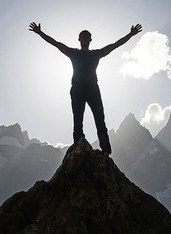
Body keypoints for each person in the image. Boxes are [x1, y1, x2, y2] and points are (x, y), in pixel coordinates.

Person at [29, 22, 142, 156]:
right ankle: (78, 146)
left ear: (90, 39)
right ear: (79, 39)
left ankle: (105, 150)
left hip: (92, 88)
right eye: (82, 36)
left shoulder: (96, 54)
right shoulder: (73, 53)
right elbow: (55, 43)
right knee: (78, 118)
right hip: (77, 88)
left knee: (99, 118)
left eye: (87, 36)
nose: (84, 38)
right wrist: (40, 33)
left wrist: (130, 34)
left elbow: (115, 45)